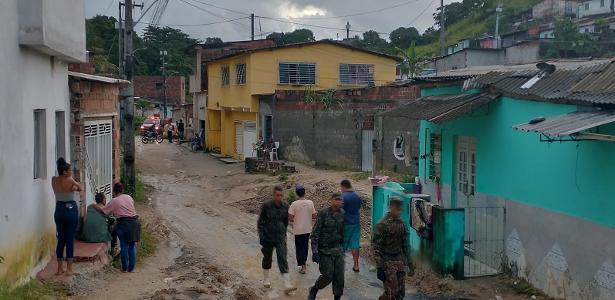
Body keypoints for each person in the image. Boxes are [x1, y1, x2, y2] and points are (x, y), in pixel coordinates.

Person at [372, 197, 413, 300]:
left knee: (400, 293)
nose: (399, 212)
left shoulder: (402, 224)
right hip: (387, 261)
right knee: (392, 293)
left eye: (400, 209)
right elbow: (376, 247)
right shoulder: (382, 224)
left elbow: (406, 245)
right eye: (397, 209)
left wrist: (410, 263)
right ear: (391, 207)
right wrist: (379, 267)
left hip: (399, 261)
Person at [257, 186, 296, 293]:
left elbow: (285, 222)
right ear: (273, 195)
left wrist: (284, 235)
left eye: (281, 195)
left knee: (282, 258)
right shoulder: (266, 206)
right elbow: (260, 222)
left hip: (280, 238)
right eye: (277, 195)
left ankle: (287, 284)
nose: (279, 197)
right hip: (268, 238)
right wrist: (261, 236)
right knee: (267, 258)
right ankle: (266, 278)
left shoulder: (285, 206)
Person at [308, 193, 345, 300]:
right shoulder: (324, 213)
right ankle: (314, 289)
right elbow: (315, 234)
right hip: (324, 251)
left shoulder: (342, 213)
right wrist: (315, 251)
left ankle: (337, 298)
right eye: (336, 199)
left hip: (338, 250)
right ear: (331, 200)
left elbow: (343, 231)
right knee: (328, 276)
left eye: (340, 200)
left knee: (339, 277)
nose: (338, 202)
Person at [98, 183, 140, 273]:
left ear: (114, 192)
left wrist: (94, 206)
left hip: (123, 224)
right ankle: (131, 268)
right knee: (132, 246)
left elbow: (104, 212)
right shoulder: (129, 197)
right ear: (122, 190)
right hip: (134, 223)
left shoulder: (114, 201)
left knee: (124, 245)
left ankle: (124, 268)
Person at [51, 158, 82, 276]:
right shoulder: (70, 180)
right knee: (70, 239)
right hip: (70, 210)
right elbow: (80, 188)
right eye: (70, 170)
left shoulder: (53, 180)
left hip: (58, 210)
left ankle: (59, 268)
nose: (71, 172)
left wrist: (72, 187)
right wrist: (74, 186)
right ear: (64, 172)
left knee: (61, 239)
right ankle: (69, 269)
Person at [287, 185, 316, 274]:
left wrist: (293, 220)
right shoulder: (310, 202)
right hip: (307, 229)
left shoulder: (294, 204)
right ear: (304, 192)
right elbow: (314, 216)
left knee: (299, 247)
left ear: (296, 193)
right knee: (305, 246)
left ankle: (303, 266)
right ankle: (304, 264)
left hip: (298, 230)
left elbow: (290, 217)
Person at [341, 179, 363, 272]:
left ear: (343, 186)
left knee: (342, 246)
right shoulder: (358, 196)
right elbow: (358, 207)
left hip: (345, 224)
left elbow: (340, 210)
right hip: (356, 223)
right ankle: (356, 265)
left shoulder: (343, 196)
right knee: (355, 245)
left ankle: (340, 266)